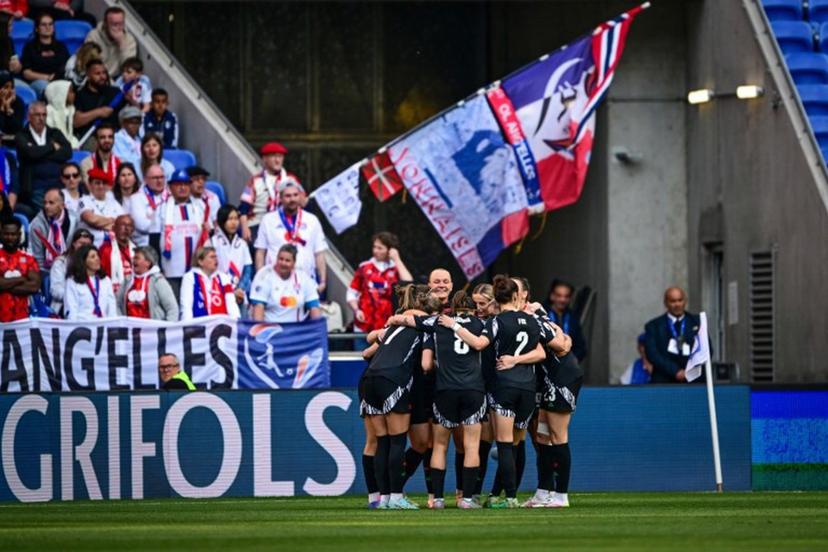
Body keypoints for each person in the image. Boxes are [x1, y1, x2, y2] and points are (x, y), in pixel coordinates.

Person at [449, 275, 549, 509]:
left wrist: (454, 325)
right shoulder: (532, 320)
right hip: (527, 388)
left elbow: (479, 344)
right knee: (514, 444)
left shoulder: (497, 321)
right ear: (516, 296)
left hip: (503, 386)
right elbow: (542, 353)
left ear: (497, 298)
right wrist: (518, 359)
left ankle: (507, 497)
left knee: (503, 444)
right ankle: (500, 495)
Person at [387, 291, 489, 509]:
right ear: (473, 308)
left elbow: (410, 321)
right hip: (473, 390)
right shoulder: (481, 323)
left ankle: (438, 499)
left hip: (445, 390)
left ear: (451, 307)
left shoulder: (437, 322)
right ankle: (467, 499)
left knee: (440, 446)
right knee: (471, 446)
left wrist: (394, 319)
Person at [360, 287, 441, 510]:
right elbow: (426, 363)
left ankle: (382, 498)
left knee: (382, 441)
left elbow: (366, 352)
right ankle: (396, 497)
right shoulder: (426, 328)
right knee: (397, 441)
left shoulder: (395, 324)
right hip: (393, 380)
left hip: (369, 379)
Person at [254, 179, 327, 291]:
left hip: (306, 280)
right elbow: (260, 252)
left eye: (295, 195)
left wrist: (322, 281)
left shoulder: (312, 220)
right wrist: (260, 278)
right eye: (288, 196)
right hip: (275, 282)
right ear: (280, 198)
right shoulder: (268, 220)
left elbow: (319, 253)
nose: (292, 199)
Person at [347, 231, 413, 339]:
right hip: (363, 327)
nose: (375, 251)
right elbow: (351, 293)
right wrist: (356, 310)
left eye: (380, 248)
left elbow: (409, 283)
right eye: (374, 247)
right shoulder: (364, 267)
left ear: (390, 250)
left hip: (387, 328)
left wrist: (396, 259)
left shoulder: (396, 268)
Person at [14, 100, 72, 210]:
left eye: (44, 115)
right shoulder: (21, 136)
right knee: (52, 211)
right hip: (35, 188)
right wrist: (51, 147)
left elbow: (68, 152)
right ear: (29, 116)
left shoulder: (55, 133)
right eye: (37, 115)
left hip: (59, 184)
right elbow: (30, 153)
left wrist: (38, 153)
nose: (41, 118)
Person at [239, 141, 300, 243]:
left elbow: (302, 203)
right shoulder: (255, 181)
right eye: (273, 156)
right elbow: (243, 209)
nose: (277, 160)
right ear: (264, 159)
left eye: (280, 156)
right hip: (258, 225)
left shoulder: (291, 179)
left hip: (285, 224)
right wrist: (245, 228)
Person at [160, 169, 206, 296]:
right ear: (170, 187)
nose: (182, 188)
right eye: (178, 184)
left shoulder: (199, 207)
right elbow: (154, 238)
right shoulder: (162, 209)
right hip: (171, 270)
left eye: (185, 184)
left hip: (196, 269)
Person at [249, 243, 321, 323]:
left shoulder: (303, 277)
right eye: (281, 259)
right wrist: (260, 331)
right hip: (271, 329)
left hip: (296, 330)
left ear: (294, 263)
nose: (283, 263)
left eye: (287, 261)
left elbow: (314, 307)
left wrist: (317, 329)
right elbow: (258, 308)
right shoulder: (264, 275)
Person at [644, 286, 702, 383]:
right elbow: (652, 353)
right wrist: (675, 371)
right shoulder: (654, 326)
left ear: (685, 301)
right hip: (664, 381)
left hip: (693, 380)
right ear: (666, 303)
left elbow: (706, 349)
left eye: (680, 300)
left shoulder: (697, 322)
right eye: (673, 301)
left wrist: (689, 370)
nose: (677, 304)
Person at [207, 204, 252, 308]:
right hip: (218, 293)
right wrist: (229, 290)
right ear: (222, 221)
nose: (234, 223)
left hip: (240, 295)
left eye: (236, 218)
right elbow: (209, 271)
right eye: (230, 219)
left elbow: (247, 269)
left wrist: (240, 288)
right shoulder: (212, 242)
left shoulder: (242, 244)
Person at [116, 245, 177, 320]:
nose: (133, 260)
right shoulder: (127, 280)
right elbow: (117, 304)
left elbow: (172, 309)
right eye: (133, 257)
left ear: (148, 263)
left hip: (152, 330)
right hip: (130, 330)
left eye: (137, 258)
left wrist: (164, 330)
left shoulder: (158, 281)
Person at [180, 246, 240, 321]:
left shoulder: (224, 278)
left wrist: (236, 322)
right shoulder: (189, 277)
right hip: (198, 326)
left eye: (216, 256)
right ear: (200, 262)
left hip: (221, 325)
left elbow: (231, 303)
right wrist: (188, 327)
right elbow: (186, 305)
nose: (216, 259)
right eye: (212, 257)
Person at [0, 215, 41, 322]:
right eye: (6, 234)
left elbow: (34, 286)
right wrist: (21, 279)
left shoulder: (29, 259)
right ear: (1, 234)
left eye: (13, 234)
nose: (10, 238)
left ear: (19, 235)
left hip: (23, 321)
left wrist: (5, 286)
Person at [28, 186, 76, 274]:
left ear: (62, 205)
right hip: (45, 270)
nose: (46, 206)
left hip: (69, 267)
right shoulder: (37, 225)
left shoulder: (73, 219)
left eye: (51, 203)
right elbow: (38, 258)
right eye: (45, 202)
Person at [20, 12, 69, 98]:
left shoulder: (61, 46)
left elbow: (67, 67)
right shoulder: (30, 47)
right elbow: (26, 73)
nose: (48, 27)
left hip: (59, 80)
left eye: (50, 24)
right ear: (37, 28)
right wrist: (48, 77)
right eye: (43, 24)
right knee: (46, 87)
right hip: (39, 82)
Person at [63, 243, 117, 320]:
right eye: (92, 257)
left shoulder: (106, 280)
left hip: (103, 326)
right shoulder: (72, 281)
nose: (97, 258)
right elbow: (71, 310)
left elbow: (112, 308)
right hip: (82, 327)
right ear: (83, 261)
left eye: (97, 255)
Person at [72, 58, 120, 141]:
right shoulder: (80, 95)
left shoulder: (115, 92)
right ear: (88, 75)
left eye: (104, 73)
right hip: (92, 138)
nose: (102, 77)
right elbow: (76, 122)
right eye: (97, 74)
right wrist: (99, 112)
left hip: (115, 136)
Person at [83, 6, 136, 79]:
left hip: (117, 78)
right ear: (105, 24)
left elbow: (129, 69)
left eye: (121, 24)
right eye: (115, 24)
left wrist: (122, 44)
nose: (119, 28)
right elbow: (89, 65)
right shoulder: (93, 36)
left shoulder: (129, 40)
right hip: (96, 78)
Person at [49, 227, 92, 315]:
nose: (84, 248)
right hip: (64, 306)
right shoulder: (60, 263)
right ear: (73, 244)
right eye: (81, 243)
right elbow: (55, 290)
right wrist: (77, 296)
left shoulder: (94, 264)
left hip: (89, 307)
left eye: (88, 245)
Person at [77, 167, 123, 246]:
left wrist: (100, 222)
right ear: (90, 185)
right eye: (97, 183)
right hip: (92, 246)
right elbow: (91, 219)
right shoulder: (84, 200)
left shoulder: (114, 202)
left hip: (113, 246)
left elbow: (123, 223)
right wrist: (112, 220)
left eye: (104, 183)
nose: (101, 186)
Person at [545, 279, 588, 362]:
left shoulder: (573, 317)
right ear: (552, 296)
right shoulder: (542, 315)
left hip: (568, 365)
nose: (562, 300)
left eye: (566, 296)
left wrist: (573, 361)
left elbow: (581, 346)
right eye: (559, 295)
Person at [128, 163, 166, 252]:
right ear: (146, 179)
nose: (159, 181)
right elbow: (142, 226)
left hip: (167, 245)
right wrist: (163, 222)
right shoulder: (136, 198)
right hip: (145, 247)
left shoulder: (171, 197)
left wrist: (151, 218)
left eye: (161, 177)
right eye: (155, 178)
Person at [98, 213, 135, 293]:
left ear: (133, 230)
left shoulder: (136, 250)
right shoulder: (105, 249)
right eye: (122, 225)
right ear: (114, 228)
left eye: (129, 226)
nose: (126, 228)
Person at [44, 78, 78, 148]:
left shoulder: (70, 109)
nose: (74, 95)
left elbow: (69, 135)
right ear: (61, 93)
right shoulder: (48, 111)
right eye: (71, 92)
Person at [0, 70, 24, 135]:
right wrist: (2, 106)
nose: (8, 91)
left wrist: (8, 107)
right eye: (5, 87)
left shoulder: (18, 102)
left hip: (11, 140)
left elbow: (17, 129)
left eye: (11, 87)